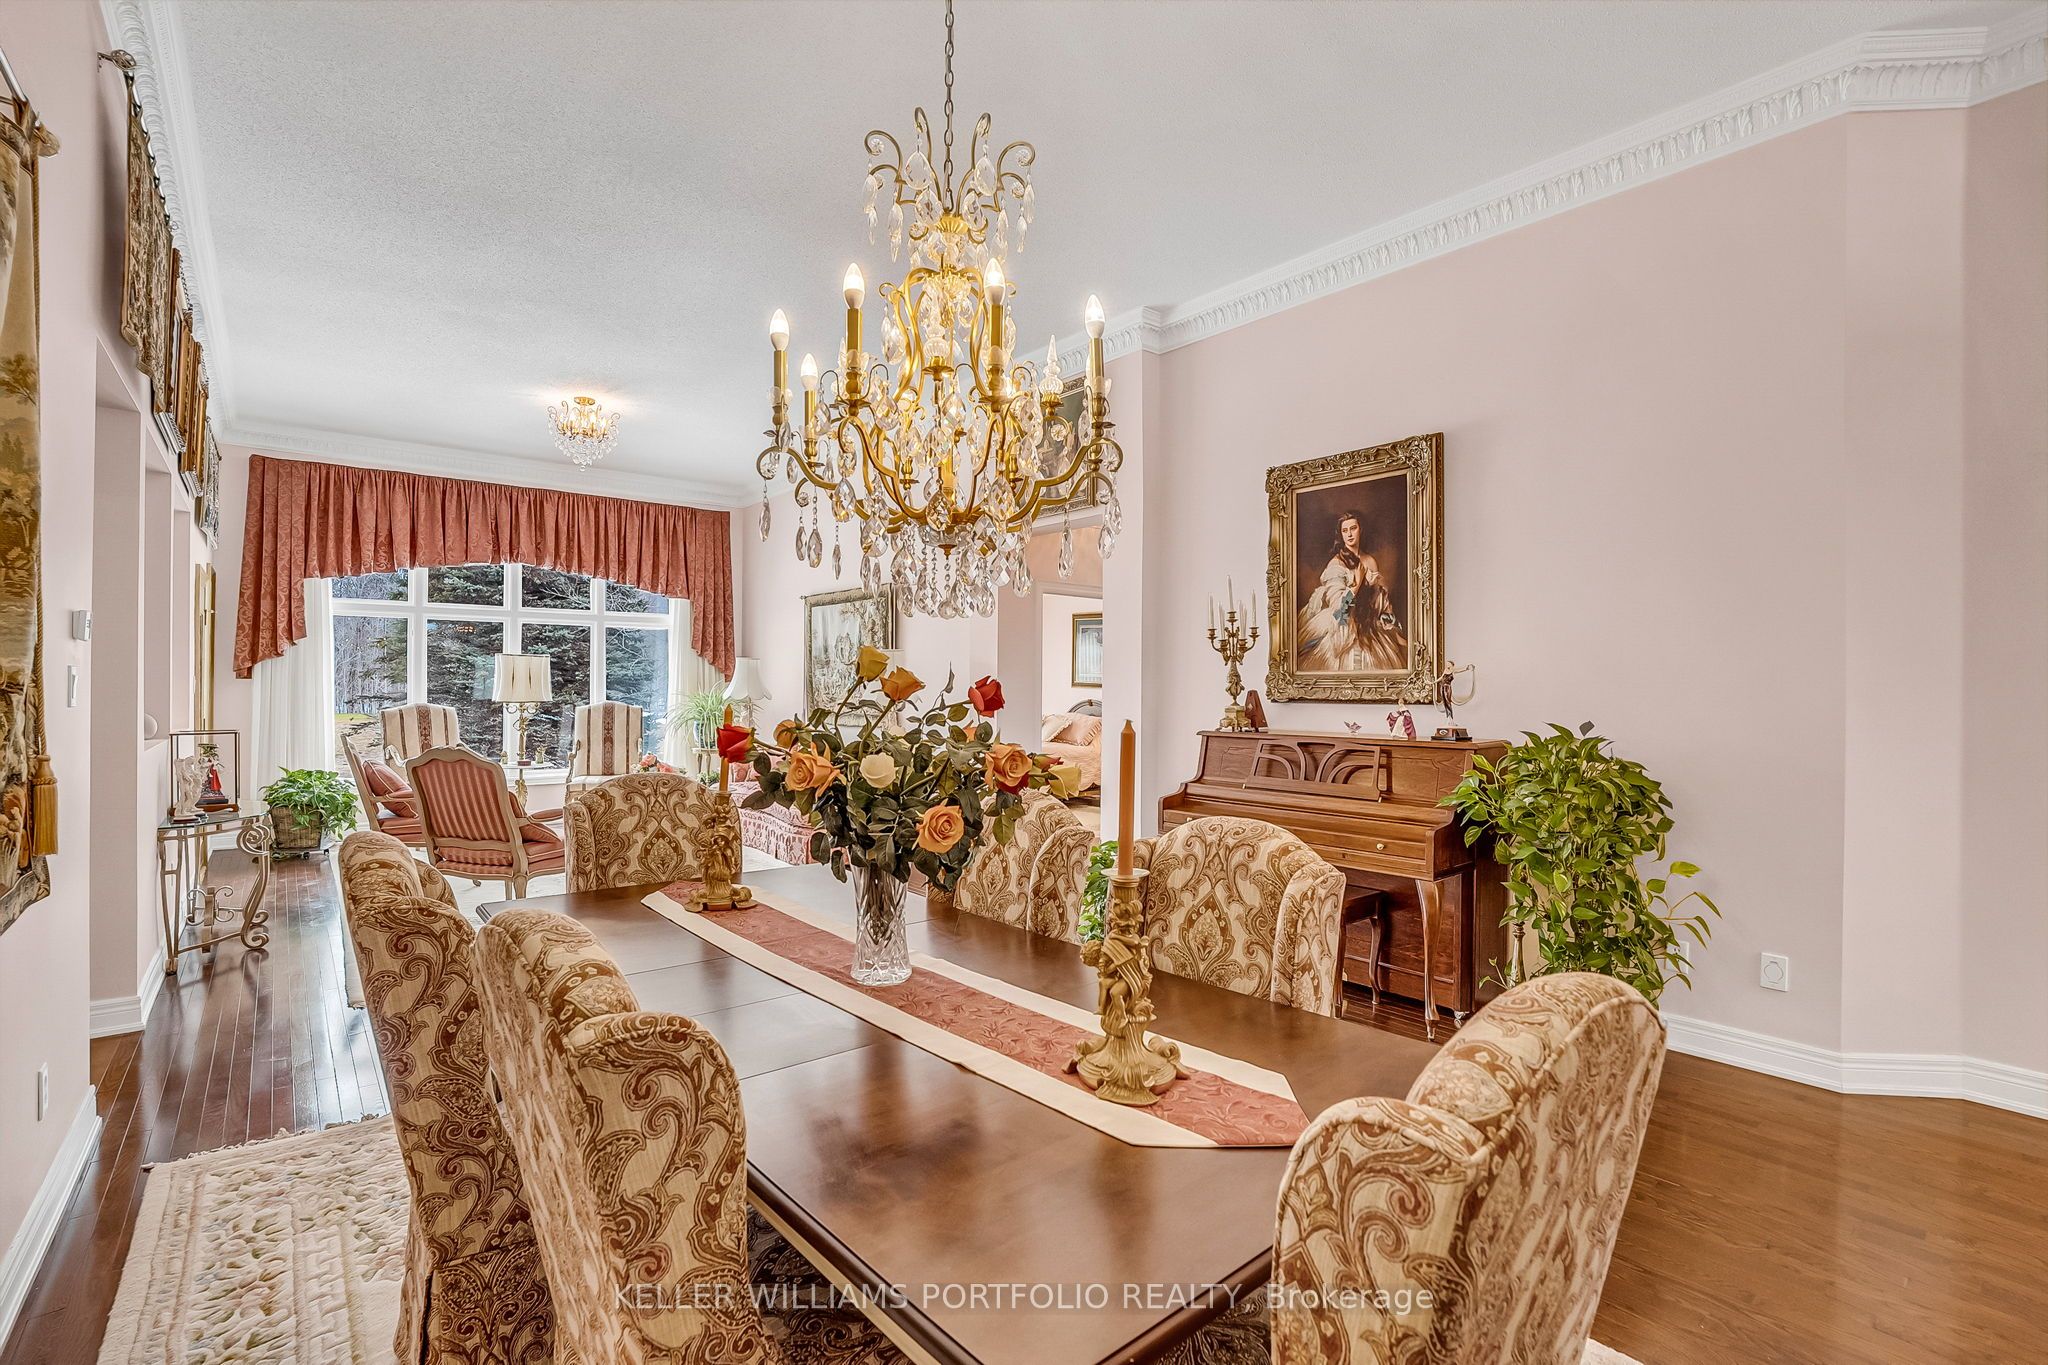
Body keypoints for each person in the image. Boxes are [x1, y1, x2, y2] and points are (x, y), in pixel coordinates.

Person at [1296, 510, 1408, 671]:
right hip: (1343, 626)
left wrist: (1393, 632)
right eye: (1345, 530)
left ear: (1360, 530)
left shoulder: (1370, 561)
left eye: (1353, 528)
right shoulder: (1336, 564)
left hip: (1368, 625)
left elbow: (1379, 603)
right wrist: (1357, 583)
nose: (1349, 534)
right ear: (1340, 534)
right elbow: (1339, 610)